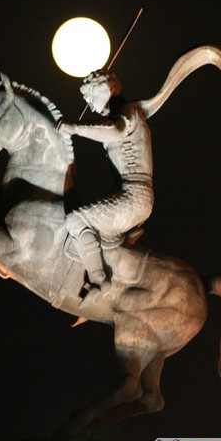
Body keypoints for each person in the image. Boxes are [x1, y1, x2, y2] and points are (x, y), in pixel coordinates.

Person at [55, 70, 154, 301]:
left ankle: (100, 281)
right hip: (129, 195)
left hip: (134, 197)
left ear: (105, 89)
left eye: (90, 97)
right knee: (77, 218)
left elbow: (115, 131)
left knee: (76, 219)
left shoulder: (128, 113)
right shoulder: (125, 113)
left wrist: (74, 127)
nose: (90, 106)